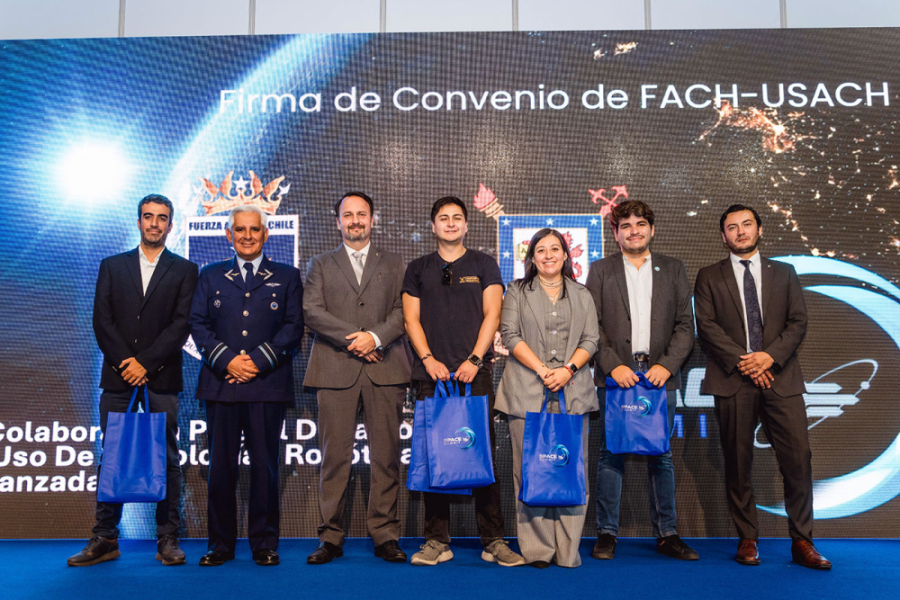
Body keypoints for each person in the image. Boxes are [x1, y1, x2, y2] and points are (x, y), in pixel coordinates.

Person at [694, 204, 830, 570]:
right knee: (738, 463)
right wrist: (747, 362)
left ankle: (803, 541)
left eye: (746, 225)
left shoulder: (784, 273)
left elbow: (798, 322)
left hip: (781, 379)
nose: (740, 232)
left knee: (798, 461)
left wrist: (768, 358)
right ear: (723, 235)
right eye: (732, 227)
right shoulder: (709, 276)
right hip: (733, 382)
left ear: (759, 229)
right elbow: (706, 327)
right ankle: (747, 538)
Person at [68, 194, 198, 567]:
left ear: (171, 225)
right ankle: (105, 537)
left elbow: (181, 324)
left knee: (167, 458)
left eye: (162, 218)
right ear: (138, 222)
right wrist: (129, 363)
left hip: (161, 377)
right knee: (112, 456)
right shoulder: (112, 265)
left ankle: (168, 538)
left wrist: (146, 363)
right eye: (148, 217)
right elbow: (102, 321)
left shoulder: (185, 270)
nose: (155, 223)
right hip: (118, 376)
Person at [402, 196, 524, 567]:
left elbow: (493, 313)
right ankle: (437, 540)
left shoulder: (484, 264)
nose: (451, 223)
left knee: (482, 453)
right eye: (443, 218)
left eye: (457, 218)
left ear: (467, 225)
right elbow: (411, 320)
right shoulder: (418, 267)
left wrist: (474, 359)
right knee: (435, 456)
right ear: (433, 226)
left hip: (476, 375)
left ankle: (494, 540)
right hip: (431, 378)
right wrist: (428, 360)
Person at [189, 204, 304, 567]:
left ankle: (264, 543)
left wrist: (256, 361)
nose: (248, 236)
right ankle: (219, 545)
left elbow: (292, 328)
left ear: (265, 234)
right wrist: (228, 360)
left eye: (255, 230)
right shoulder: (209, 275)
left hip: (266, 384)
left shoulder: (286, 276)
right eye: (240, 230)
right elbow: (197, 323)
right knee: (220, 469)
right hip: (221, 383)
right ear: (229, 235)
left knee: (266, 469)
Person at [585, 200, 698, 561]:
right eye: (626, 225)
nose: (634, 230)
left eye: (640, 224)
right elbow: (592, 326)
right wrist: (611, 364)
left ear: (652, 229)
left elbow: (685, 325)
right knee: (610, 454)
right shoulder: (600, 270)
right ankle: (606, 533)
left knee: (661, 456)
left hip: (659, 378)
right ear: (615, 233)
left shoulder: (674, 269)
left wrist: (667, 365)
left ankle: (667, 533)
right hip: (616, 378)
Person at [303, 192, 411, 565]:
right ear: (338, 222)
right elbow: (312, 312)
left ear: (372, 219)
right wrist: (358, 339)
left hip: (386, 370)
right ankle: (330, 537)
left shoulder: (395, 262)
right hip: (334, 371)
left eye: (361, 214)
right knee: (335, 459)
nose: (355, 221)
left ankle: (385, 536)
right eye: (347, 215)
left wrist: (376, 337)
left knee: (386, 458)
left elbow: (403, 312)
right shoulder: (320, 263)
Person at [496, 228, 599, 568]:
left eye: (555, 249)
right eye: (541, 250)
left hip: (574, 390)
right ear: (532, 257)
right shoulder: (516, 291)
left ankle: (568, 550)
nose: (549, 255)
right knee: (529, 471)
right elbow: (509, 335)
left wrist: (568, 370)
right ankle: (537, 549)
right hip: (526, 390)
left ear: (566, 256)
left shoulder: (582, 294)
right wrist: (543, 370)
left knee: (571, 470)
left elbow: (592, 339)